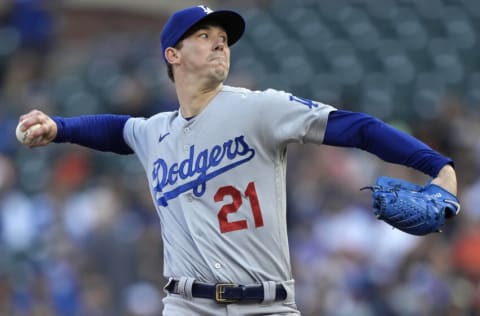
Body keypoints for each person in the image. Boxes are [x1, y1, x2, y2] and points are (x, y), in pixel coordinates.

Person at [17, 5, 458, 316]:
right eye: (204, 36)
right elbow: (117, 130)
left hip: (267, 305)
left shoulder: (258, 108)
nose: (219, 44)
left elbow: (356, 126)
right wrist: (60, 127)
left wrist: (437, 165)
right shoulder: (156, 132)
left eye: (224, 39)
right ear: (172, 55)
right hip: (186, 305)